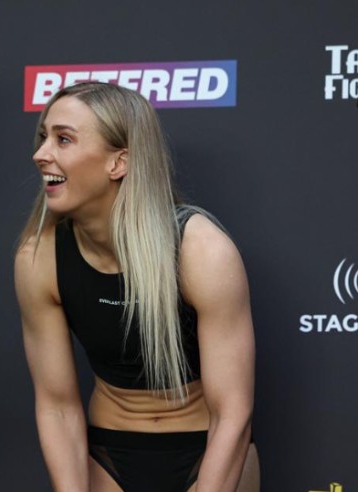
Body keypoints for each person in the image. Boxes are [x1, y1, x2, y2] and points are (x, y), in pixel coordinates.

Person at [14, 82, 260, 492]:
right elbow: (57, 406)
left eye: (63, 139)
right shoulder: (38, 258)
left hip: (204, 450)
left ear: (119, 162)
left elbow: (233, 413)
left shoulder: (201, 250)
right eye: (43, 137)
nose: (41, 154)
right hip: (108, 454)